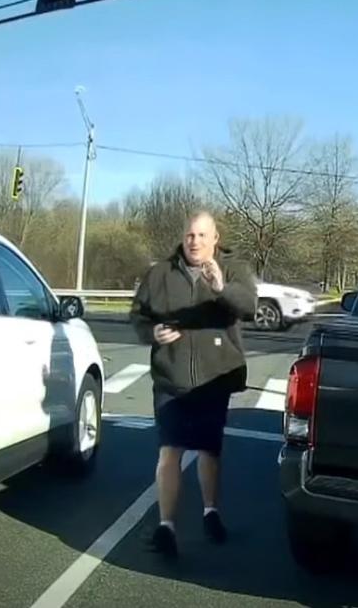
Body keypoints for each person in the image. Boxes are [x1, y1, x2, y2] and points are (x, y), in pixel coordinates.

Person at [129, 210, 256, 558]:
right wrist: (151, 332)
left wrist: (220, 288)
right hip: (171, 377)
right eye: (189, 235)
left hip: (214, 377)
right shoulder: (160, 273)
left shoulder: (233, 270)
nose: (195, 242)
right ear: (182, 238)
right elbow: (138, 315)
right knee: (169, 450)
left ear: (215, 239)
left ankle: (210, 511)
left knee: (208, 450)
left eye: (202, 235)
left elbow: (249, 306)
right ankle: (166, 527)